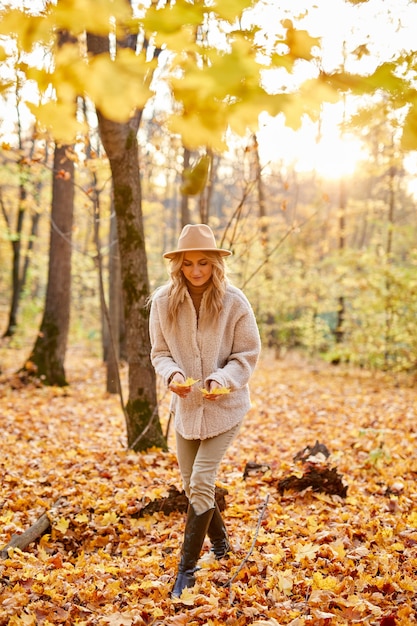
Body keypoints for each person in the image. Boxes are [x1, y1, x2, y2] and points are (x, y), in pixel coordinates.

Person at [149, 224, 261, 599]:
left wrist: (222, 379)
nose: (196, 271)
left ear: (215, 263)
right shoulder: (163, 302)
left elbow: (246, 355)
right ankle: (224, 547)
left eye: (203, 263)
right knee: (191, 483)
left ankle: (186, 570)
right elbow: (159, 354)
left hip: (225, 408)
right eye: (188, 263)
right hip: (187, 408)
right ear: (177, 265)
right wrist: (173, 375)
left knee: (200, 481)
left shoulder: (234, 301)